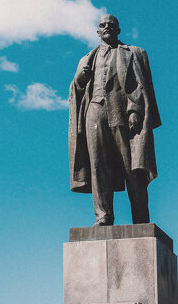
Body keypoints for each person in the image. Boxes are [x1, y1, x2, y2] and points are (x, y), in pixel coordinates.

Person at [69, 14, 160, 225]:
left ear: (118, 30)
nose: (107, 27)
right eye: (103, 25)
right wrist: (80, 78)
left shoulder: (134, 53)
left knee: (132, 168)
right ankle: (103, 216)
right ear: (97, 31)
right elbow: (77, 89)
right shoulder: (87, 58)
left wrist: (135, 110)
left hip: (122, 112)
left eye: (111, 25)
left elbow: (141, 85)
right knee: (98, 165)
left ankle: (141, 219)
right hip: (94, 112)